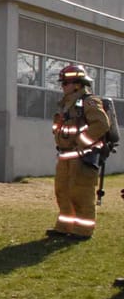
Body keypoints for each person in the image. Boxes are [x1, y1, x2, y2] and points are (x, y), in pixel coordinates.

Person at [48, 64, 109, 241]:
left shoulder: (89, 102)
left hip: (82, 156)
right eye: (62, 83)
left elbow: (101, 125)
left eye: (66, 83)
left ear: (77, 84)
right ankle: (65, 226)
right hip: (66, 154)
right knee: (63, 191)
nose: (63, 86)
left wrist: (82, 142)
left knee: (81, 192)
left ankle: (83, 230)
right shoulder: (65, 104)